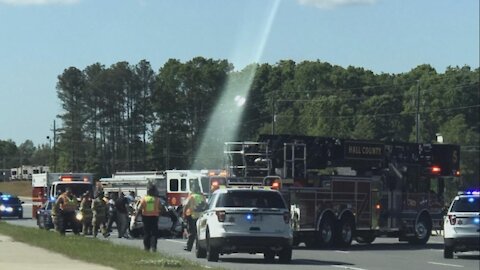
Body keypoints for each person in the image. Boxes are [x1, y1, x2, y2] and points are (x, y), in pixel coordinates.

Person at [136, 185, 162, 252]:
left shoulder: (144, 199)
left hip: (146, 218)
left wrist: (136, 218)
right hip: (154, 217)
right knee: (154, 233)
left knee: (147, 233)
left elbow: (139, 209)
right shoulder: (157, 199)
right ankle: (154, 248)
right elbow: (161, 208)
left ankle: (146, 248)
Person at [182, 183, 207, 251]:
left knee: (192, 232)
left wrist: (183, 214)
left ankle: (189, 247)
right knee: (199, 233)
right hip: (201, 217)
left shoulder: (191, 196)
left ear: (193, 189)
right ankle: (199, 248)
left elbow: (186, 205)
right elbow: (206, 206)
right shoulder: (203, 197)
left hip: (192, 216)